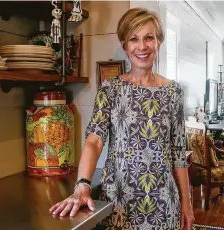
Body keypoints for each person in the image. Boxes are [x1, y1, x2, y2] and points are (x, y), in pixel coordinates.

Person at [49, 7, 195, 230]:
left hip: (164, 203)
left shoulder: (173, 92)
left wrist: (187, 203)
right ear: (124, 46)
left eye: (149, 37)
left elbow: (177, 152)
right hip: (119, 201)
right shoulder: (110, 89)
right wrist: (82, 185)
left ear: (159, 42)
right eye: (133, 39)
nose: (142, 46)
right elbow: (94, 141)